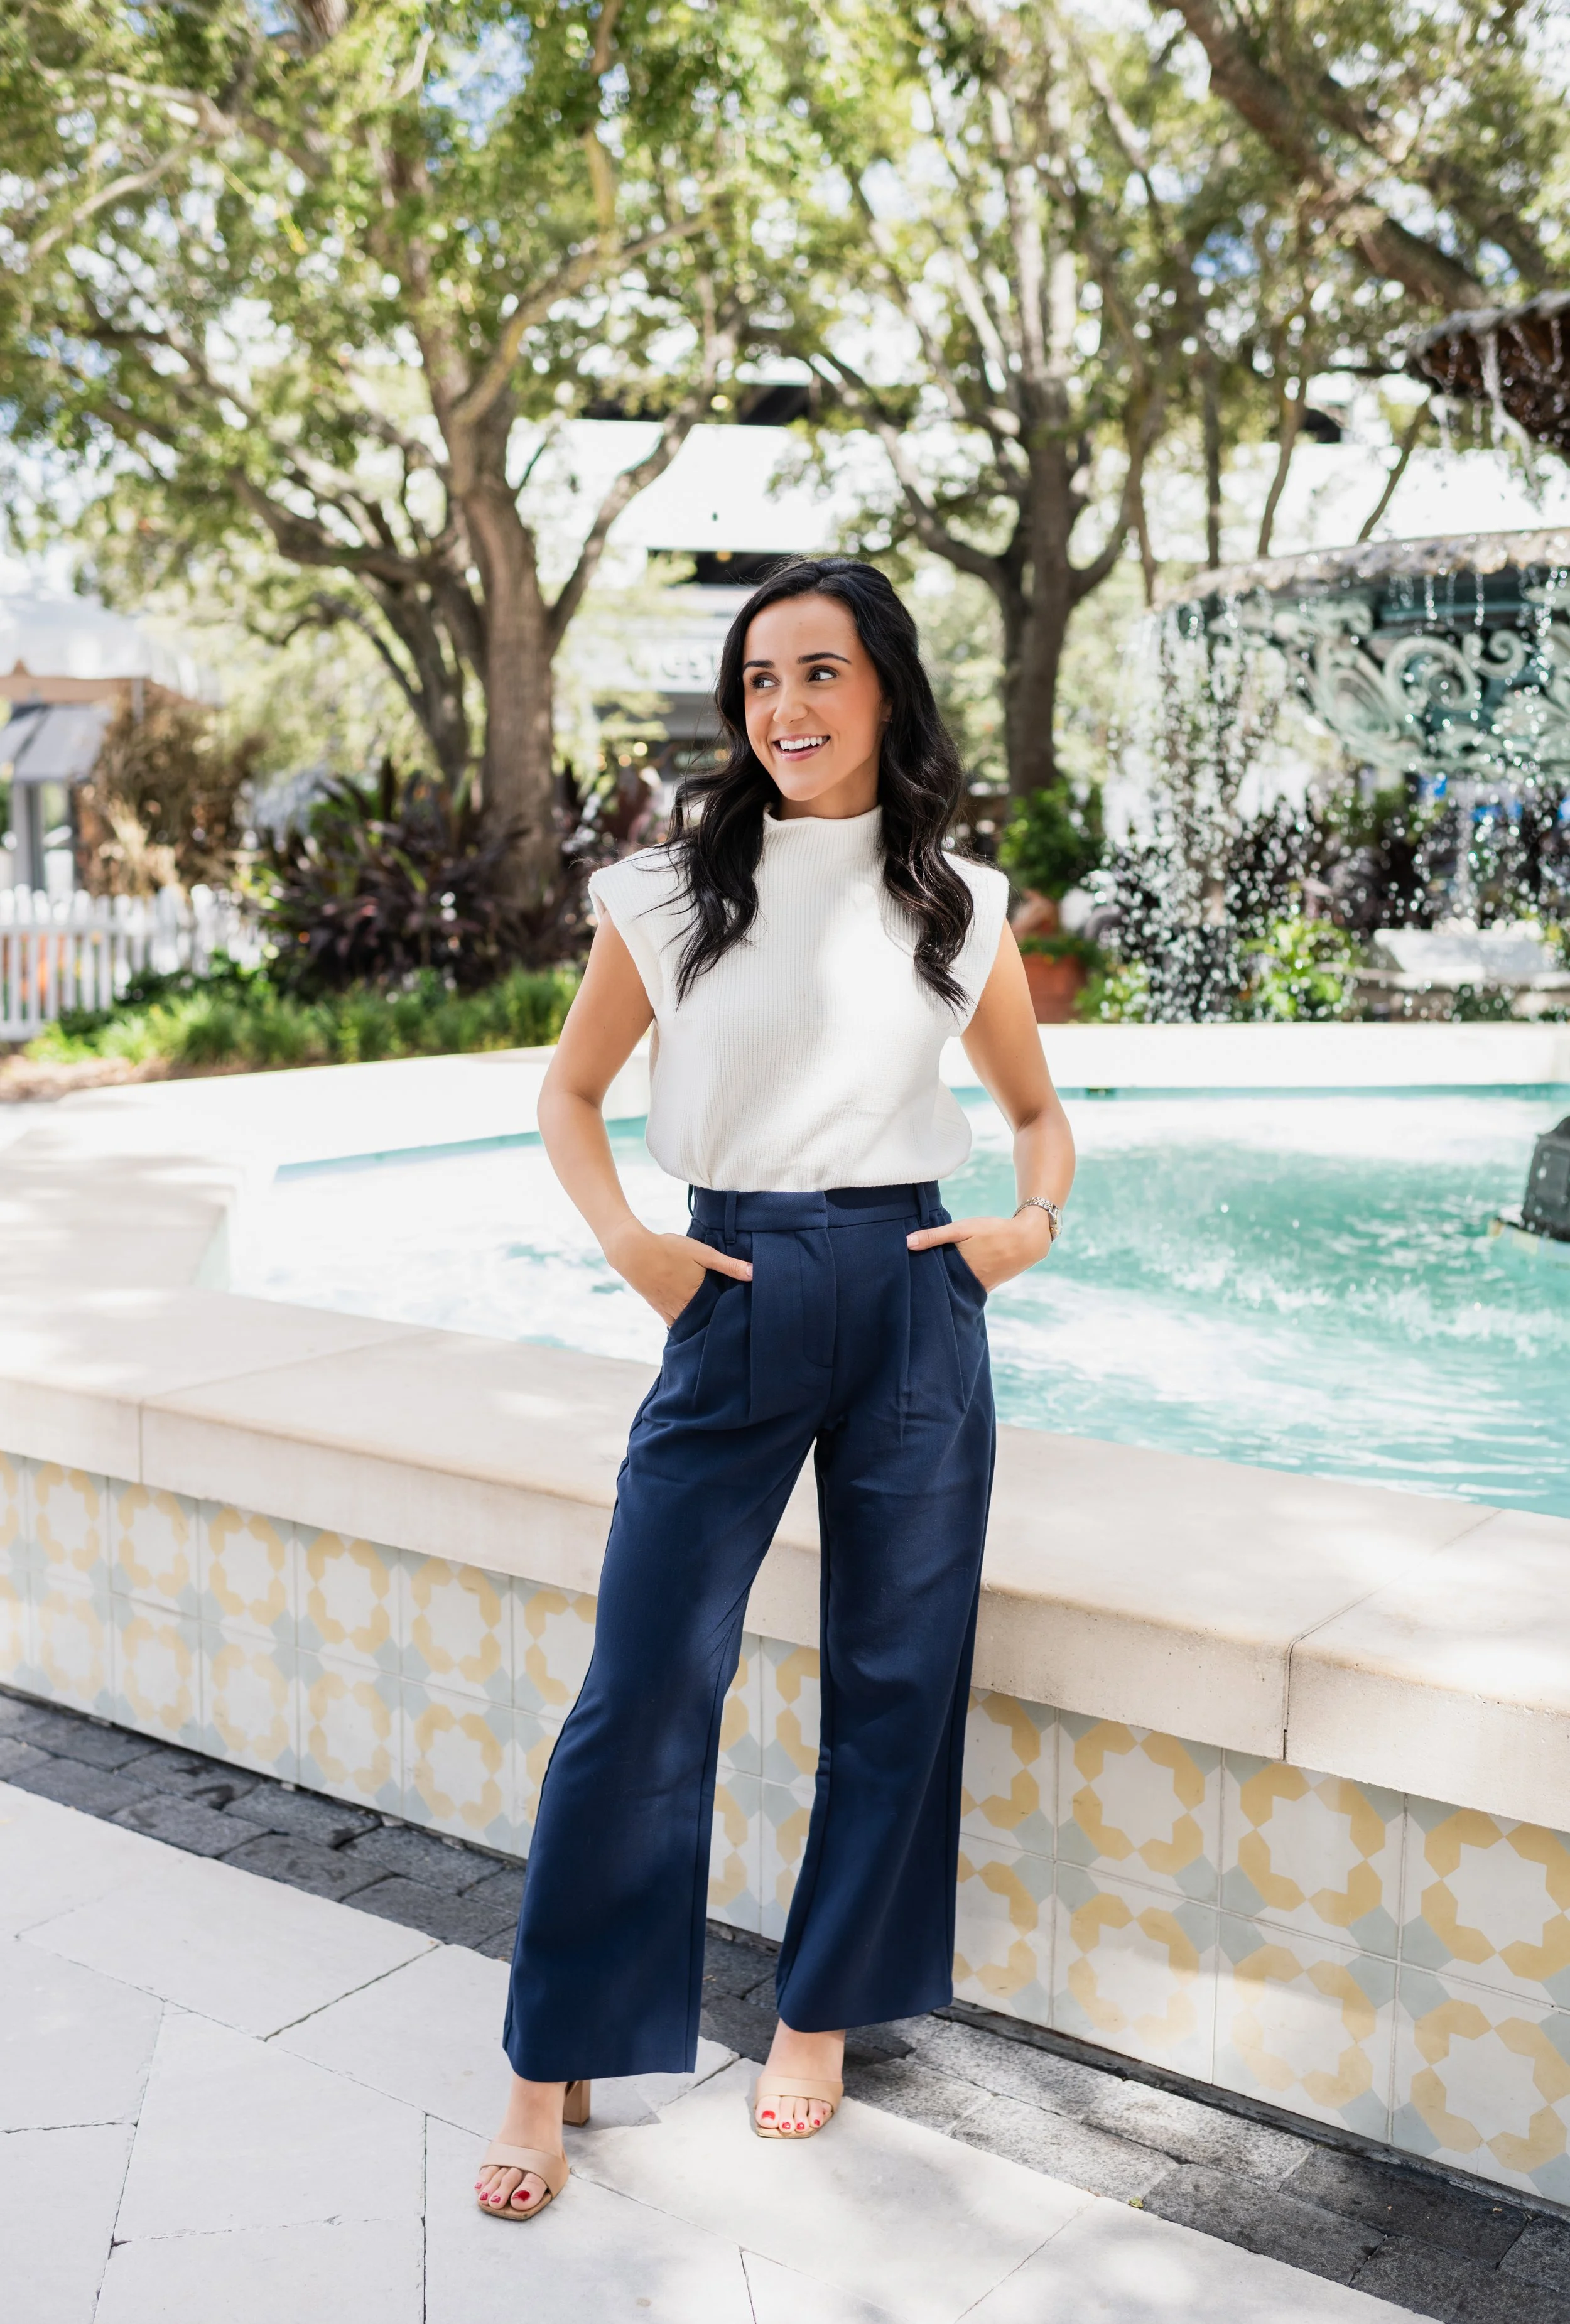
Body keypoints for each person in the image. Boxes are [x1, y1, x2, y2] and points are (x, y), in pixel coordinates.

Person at [475, 557, 1076, 2219]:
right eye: (758, 682)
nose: (785, 708)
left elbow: (1037, 1114)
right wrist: (635, 1250)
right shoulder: (668, 894)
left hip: (909, 1295)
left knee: (896, 1677)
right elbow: (571, 1093)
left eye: (818, 672)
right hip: (729, 1285)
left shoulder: (954, 893)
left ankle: (815, 2009)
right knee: (643, 1683)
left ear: (883, 687)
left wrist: (1021, 1228)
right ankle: (551, 2059)